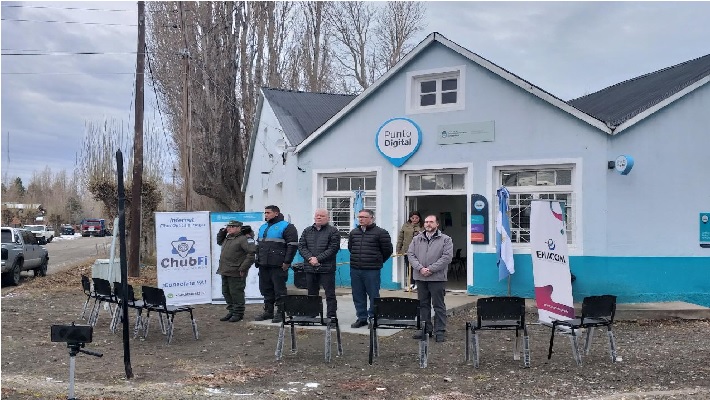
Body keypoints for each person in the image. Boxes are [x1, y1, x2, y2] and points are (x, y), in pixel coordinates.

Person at [407, 214, 453, 342]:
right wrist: (420, 268)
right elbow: (410, 254)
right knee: (423, 305)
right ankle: (426, 329)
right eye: (426, 222)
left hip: (437, 278)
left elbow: (446, 258)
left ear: (437, 224)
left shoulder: (446, 239)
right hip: (420, 277)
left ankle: (440, 331)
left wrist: (431, 269)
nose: (428, 224)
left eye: (431, 222)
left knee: (438, 305)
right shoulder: (417, 239)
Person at [347, 209, 393, 328]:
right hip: (356, 269)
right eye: (359, 217)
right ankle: (361, 318)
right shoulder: (354, 233)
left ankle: (373, 318)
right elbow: (351, 248)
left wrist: (377, 260)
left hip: (372, 270)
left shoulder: (381, 233)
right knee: (358, 294)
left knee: (373, 295)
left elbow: (387, 250)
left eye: (364, 217)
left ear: (372, 218)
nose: (361, 219)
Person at [254, 205, 299, 323]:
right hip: (264, 264)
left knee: (279, 290)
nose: (266, 215)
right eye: (265, 213)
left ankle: (281, 312)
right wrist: (257, 259)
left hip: (278, 265)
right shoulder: (263, 227)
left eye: (268, 213)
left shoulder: (287, 227)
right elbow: (259, 246)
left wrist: (287, 262)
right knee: (266, 289)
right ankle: (268, 311)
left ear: (276, 213)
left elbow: (292, 246)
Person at [298, 208, 341, 318]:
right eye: (317, 215)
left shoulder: (333, 231)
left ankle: (331, 316)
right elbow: (301, 246)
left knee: (329, 294)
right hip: (310, 267)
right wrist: (310, 258)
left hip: (326, 268)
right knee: (312, 293)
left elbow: (333, 248)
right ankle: (312, 314)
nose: (318, 217)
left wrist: (318, 259)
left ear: (328, 218)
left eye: (322, 216)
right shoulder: (307, 230)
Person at [216, 220, 256, 323]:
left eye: (232, 226)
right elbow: (219, 241)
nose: (229, 228)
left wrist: (243, 268)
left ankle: (238, 313)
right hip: (225, 269)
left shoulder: (244, 239)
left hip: (237, 271)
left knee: (236, 293)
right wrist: (223, 232)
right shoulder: (228, 238)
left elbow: (251, 254)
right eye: (228, 226)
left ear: (239, 227)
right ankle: (232, 311)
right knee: (226, 292)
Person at [396, 210, 423, 292]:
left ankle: (418, 284)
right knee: (409, 267)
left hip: (419, 251)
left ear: (419, 218)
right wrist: (398, 249)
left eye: (416, 218)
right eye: (412, 218)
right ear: (410, 218)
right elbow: (401, 237)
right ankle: (410, 284)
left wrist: (420, 233)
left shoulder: (422, 226)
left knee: (417, 267)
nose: (414, 220)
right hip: (407, 250)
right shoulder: (405, 226)